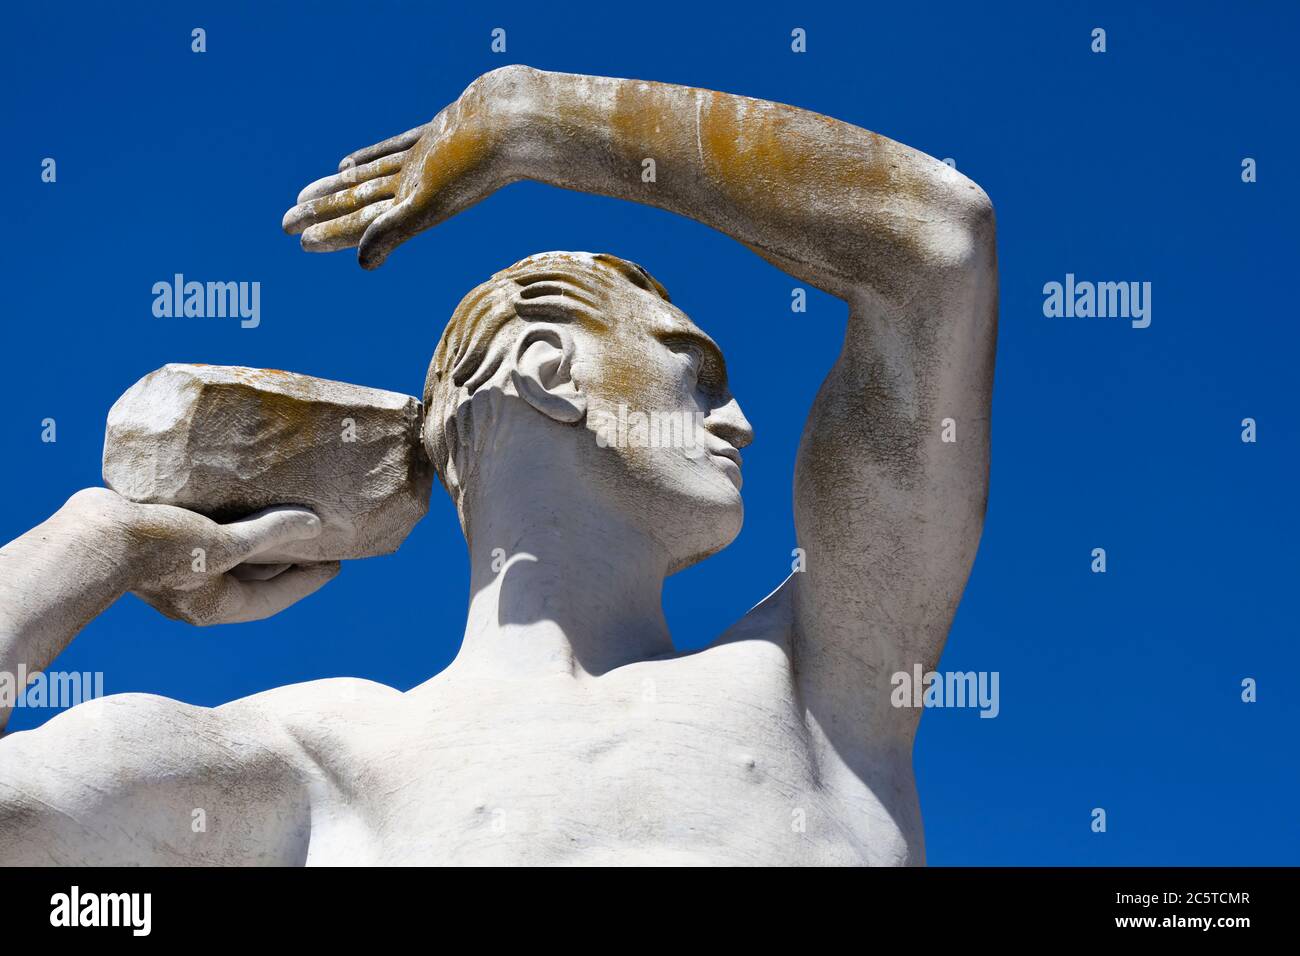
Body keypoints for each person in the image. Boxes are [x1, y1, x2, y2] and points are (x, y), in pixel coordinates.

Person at [0, 66, 996, 865]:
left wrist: (532, 117)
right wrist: (97, 542)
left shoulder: (817, 683)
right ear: (549, 367)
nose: (738, 420)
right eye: (693, 373)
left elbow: (935, 242)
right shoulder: (313, 762)